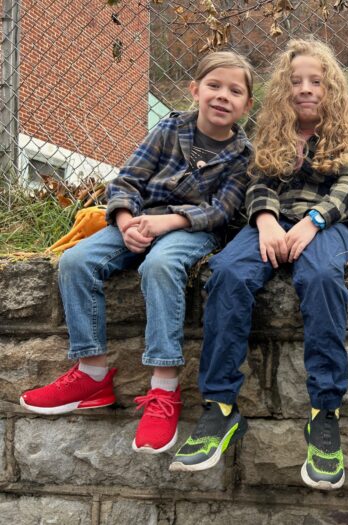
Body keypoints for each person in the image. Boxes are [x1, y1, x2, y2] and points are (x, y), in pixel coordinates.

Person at [19, 51, 255, 456]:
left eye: (235, 91)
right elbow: (127, 179)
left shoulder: (242, 155)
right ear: (195, 90)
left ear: (246, 105)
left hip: (191, 230)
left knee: (160, 266)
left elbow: (220, 211)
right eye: (214, 86)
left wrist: (166, 223)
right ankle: (91, 373)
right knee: (77, 261)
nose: (222, 96)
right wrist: (126, 220)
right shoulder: (168, 129)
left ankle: (164, 389)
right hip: (138, 220)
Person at [169, 38, 348, 491]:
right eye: (295, 81)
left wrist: (313, 222)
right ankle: (220, 407)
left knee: (320, 277)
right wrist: (264, 222)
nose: (305, 89)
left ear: (330, 87)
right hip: (268, 225)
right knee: (227, 273)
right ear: (283, 88)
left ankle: (324, 413)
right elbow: (258, 182)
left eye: (315, 81)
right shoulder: (272, 132)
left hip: (325, 227)